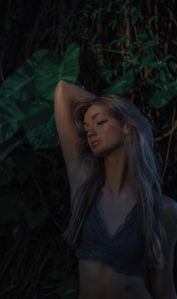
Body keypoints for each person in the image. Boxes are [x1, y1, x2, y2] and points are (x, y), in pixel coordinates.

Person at [54, 80, 177, 299]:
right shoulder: (84, 182)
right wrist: (104, 110)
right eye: (87, 127)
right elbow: (63, 90)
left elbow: (163, 289)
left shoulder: (161, 209)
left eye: (100, 122)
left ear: (127, 127)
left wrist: (127, 116)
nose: (90, 131)